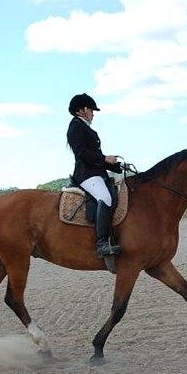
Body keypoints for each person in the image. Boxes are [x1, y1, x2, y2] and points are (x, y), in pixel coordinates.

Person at [66, 93, 123, 262]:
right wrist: (105, 159)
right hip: (86, 175)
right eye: (91, 110)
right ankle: (102, 243)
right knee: (104, 197)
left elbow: (95, 156)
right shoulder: (75, 126)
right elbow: (82, 153)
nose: (93, 113)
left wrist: (116, 166)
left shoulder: (86, 127)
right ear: (82, 110)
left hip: (96, 173)